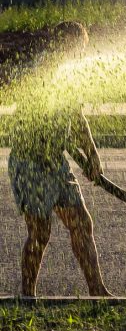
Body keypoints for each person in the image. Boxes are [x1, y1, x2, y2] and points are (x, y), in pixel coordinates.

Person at [8, 21, 110, 298]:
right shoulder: (41, 69)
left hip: (55, 163)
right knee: (40, 232)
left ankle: (97, 291)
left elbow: (77, 119)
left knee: (81, 223)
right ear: (59, 44)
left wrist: (92, 155)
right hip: (29, 163)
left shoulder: (70, 75)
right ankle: (28, 296)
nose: (76, 53)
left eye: (79, 49)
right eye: (72, 47)